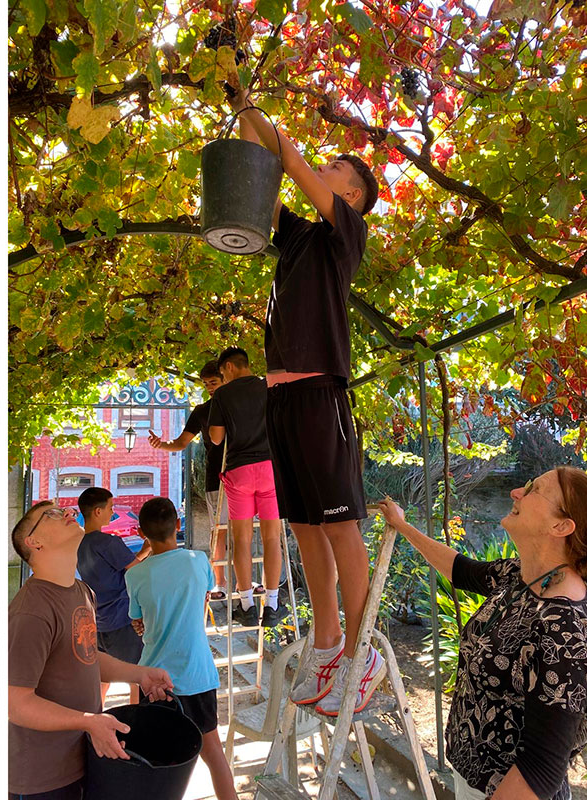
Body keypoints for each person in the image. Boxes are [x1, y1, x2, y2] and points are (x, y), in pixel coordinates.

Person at [228, 78, 382, 715]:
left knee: (340, 524)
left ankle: (362, 649)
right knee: (304, 527)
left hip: (322, 396)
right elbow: (260, 170)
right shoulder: (295, 239)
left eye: (339, 166)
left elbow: (287, 160)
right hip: (282, 399)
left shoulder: (345, 231)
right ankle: (326, 644)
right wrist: (241, 113)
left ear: (350, 195)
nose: (328, 162)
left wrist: (250, 97)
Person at [378, 468, 587, 800]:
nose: (516, 492)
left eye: (533, 489)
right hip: (470, 775)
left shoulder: (564, 631)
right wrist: (402, 526)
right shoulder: (523, 576)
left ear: (561, 526)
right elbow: (461, 570)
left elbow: (541, 768)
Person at [9, 500, 174, 800]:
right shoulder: (30, 611)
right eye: (53, 514)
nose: (69, 513)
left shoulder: (81, 592)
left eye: (65, 509)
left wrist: (141, 675)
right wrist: (87, 720)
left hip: (82, 758)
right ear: (34, 542)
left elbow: (87, 655)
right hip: (40, 777)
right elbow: (16, 704)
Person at [125, 497, 237, 800]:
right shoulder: (198, 560)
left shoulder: (134, 575)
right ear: (178, 525)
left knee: (154, 760)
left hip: (153, 679)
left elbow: (138, 621)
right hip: (197, 673)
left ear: (140, 532)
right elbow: (204, 597)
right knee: (214, 755)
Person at [207, 346, 286, 629]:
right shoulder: (269, 386)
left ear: (228, 366)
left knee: (240, 539)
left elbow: (216, 439)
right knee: (271, 538)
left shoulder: (223, 395)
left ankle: (246, 604)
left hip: (239, 471)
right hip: (270, 470)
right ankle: (274, 604)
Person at [149, 360, 230, 596]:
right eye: (205, 384)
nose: (209, 388)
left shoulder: (240, 404)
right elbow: (181, 442)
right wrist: (161, 445)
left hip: (244, 473)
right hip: (217, 476)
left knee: (247, 531)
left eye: (213, 382)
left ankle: (246, 585)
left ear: (226, 377)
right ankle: (220, 583)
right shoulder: (202, 410)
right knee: (220, 530)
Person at [74, 487, 149, 704]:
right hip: (122, 619)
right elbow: (137, 570)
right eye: (110, 507)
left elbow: (126, 563)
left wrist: (144, 551)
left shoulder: (79, 543)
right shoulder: (108, 542)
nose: (112, 512)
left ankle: (93, 721)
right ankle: (136, 726)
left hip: (97, 621)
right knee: (137, 676)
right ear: (97, 511)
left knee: (101, 677)